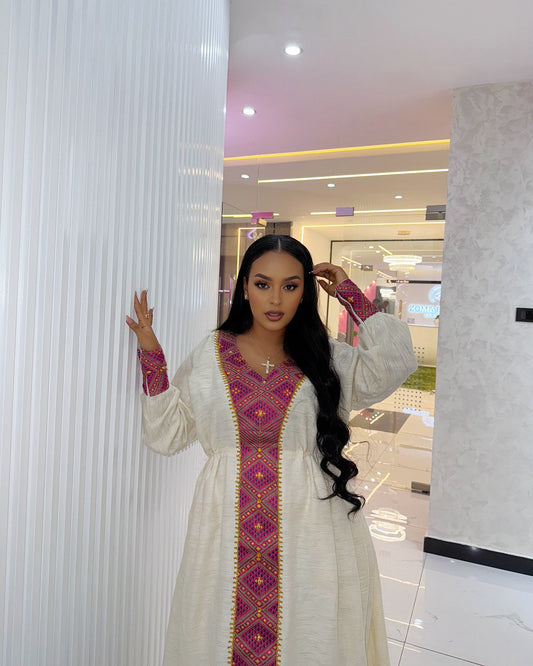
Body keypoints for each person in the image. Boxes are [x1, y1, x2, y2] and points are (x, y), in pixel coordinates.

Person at [126, 235, 417, 666]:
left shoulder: (325, 358)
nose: (276, 299)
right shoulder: (211, 355)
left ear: (305, 292)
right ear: (244, 287)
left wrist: (350, 294)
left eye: (291, 285)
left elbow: (395, 362)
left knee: (309, 633)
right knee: (217, 630)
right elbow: (168, 433)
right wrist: (152, 355)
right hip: (225, 526)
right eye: (263, 284)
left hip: (312, 528)